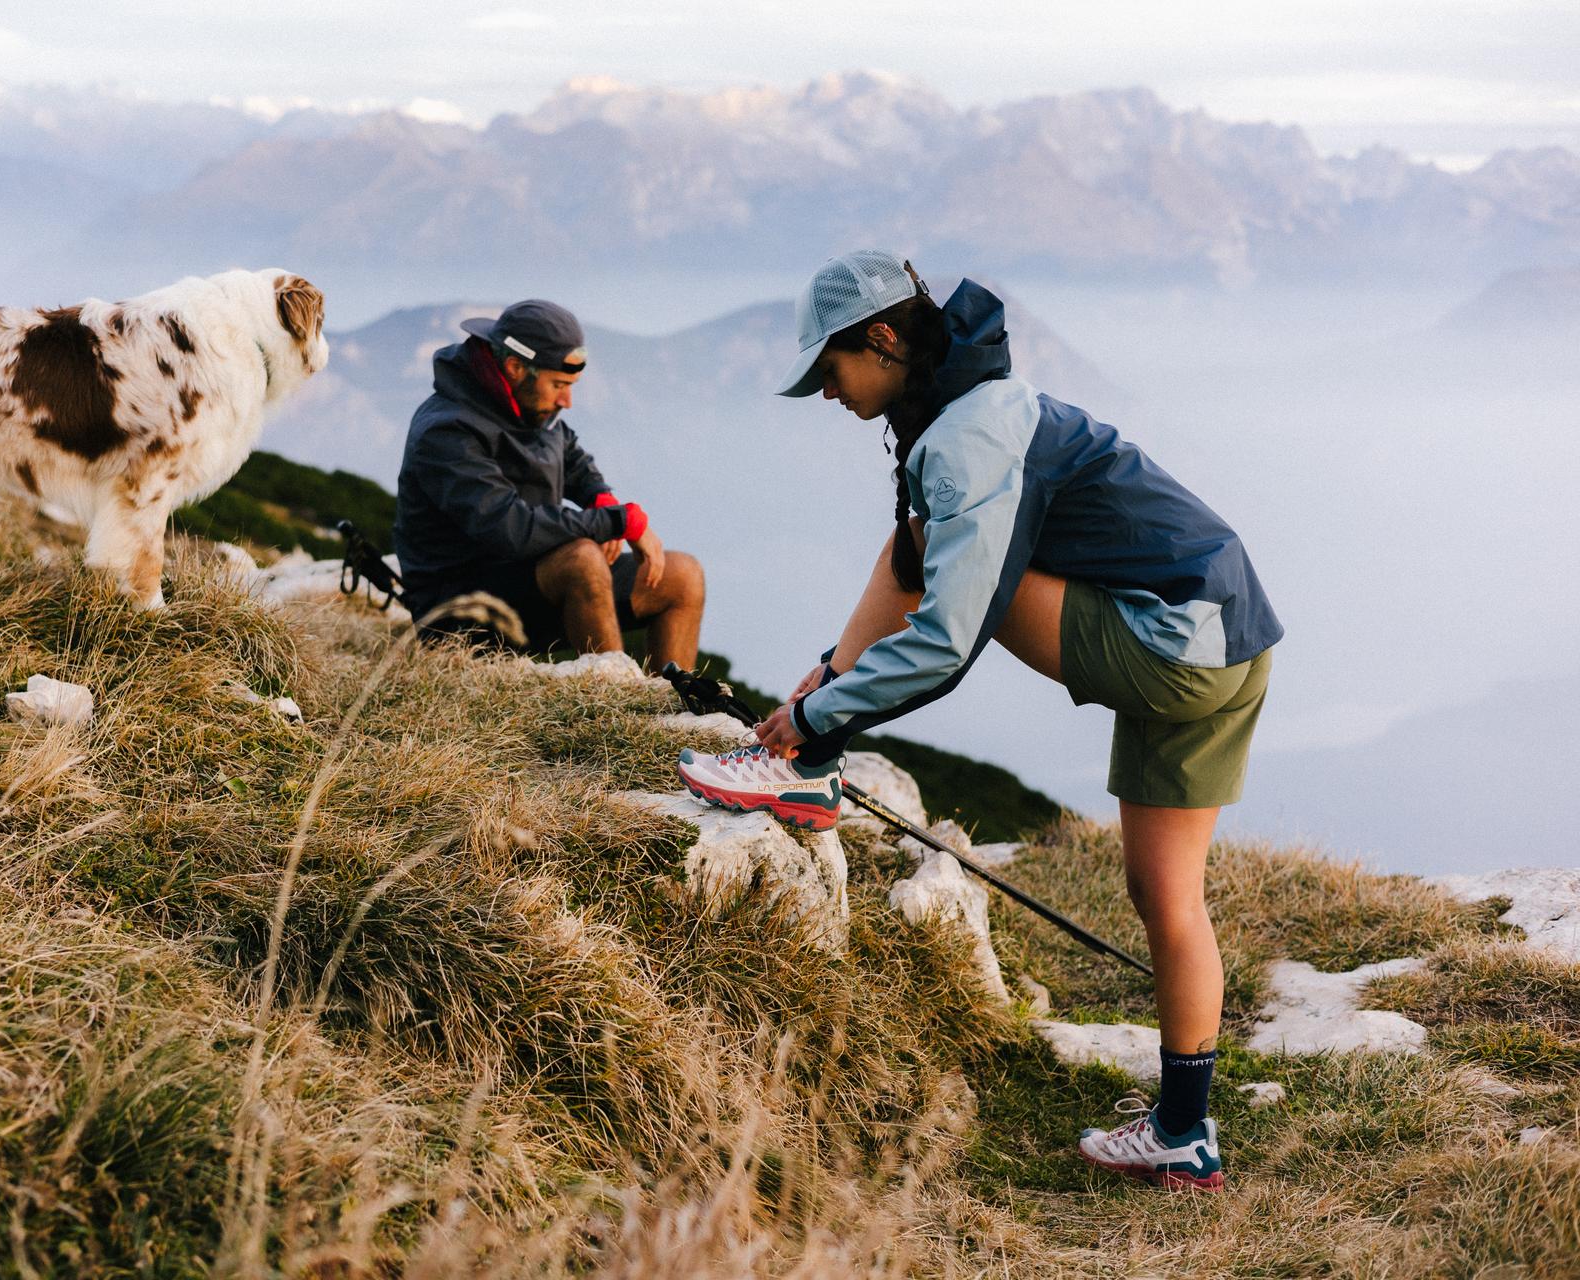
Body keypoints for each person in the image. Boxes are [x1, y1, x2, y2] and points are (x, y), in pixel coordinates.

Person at [676, 251, 1282, 1193]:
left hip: (1171, 642)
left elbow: (947, 639)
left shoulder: (965, 438)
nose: (828, 395)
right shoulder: (972, 406)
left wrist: (814, 720)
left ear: (880, 339)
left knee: (969, 588)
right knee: (1166, 892)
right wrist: (826, 677)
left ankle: (805, 766)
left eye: (831, 371)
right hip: (1232, 637)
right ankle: (1185, 1130)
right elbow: (914, 553)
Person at [392, 300, 705, 669]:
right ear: (514, 367)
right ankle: (618, 703)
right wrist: (618, 522)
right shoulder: (447, 431)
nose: (567, 400)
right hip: (462, 612)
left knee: (683, 576)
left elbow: (567, 452)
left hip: (530, 582)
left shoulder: (528, 403)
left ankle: (673, 710)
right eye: (558, 385)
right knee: (582, 560)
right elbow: (512, 528)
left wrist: (599, 497)